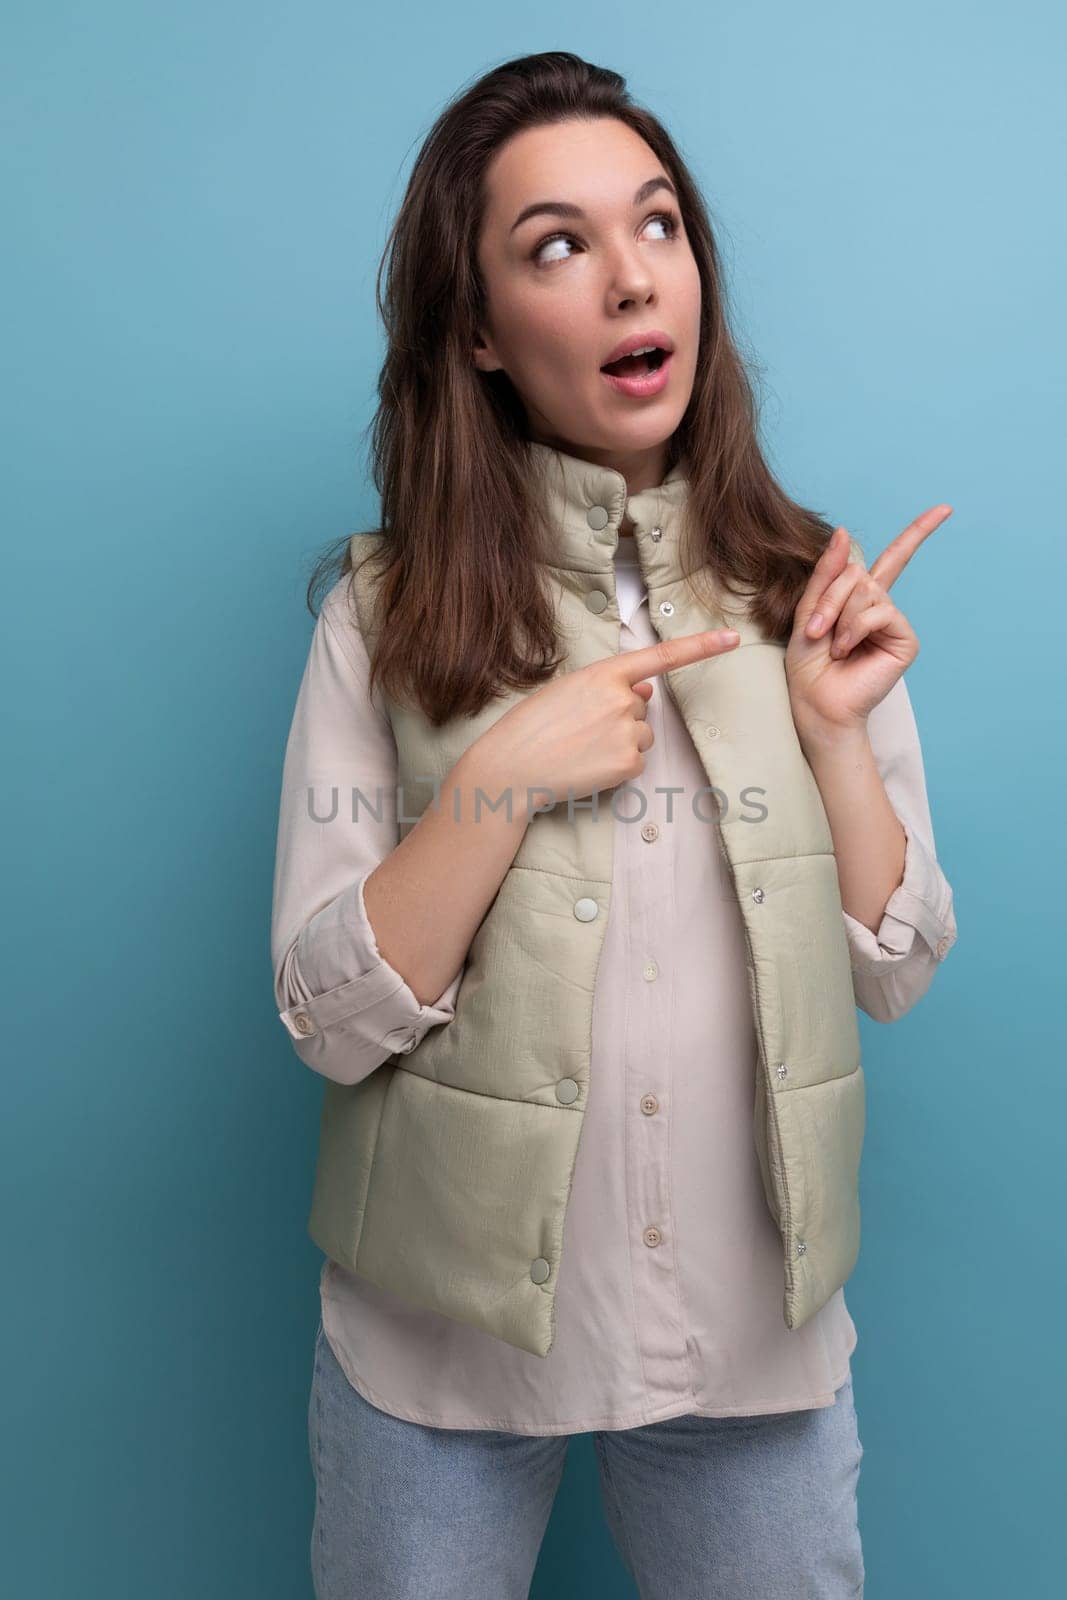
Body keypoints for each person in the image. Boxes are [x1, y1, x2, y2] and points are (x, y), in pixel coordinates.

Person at [270, 50, 957, 1600]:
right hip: (436, 1362)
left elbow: (900, 970)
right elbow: (319, 1016)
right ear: (480, 334)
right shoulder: (380, 616)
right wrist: (501, 780)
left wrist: (837, 743)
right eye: (558, 246)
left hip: (750, 1341)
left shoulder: (808, 599)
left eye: (657, 224)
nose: (632, 278)